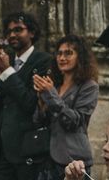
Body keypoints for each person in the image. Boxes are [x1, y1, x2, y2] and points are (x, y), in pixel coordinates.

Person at [0, 12, 53, 180]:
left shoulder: (43, 61)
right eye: (8, 32)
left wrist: (7, 71)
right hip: (3, 152)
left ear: (31, 32)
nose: (12, 35)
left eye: (18, 30)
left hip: (27, 149)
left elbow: (30, 103)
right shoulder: (6, 64)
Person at [33, 35, 99, 180]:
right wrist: (41, 102)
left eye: (68, 53)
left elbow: (75, 121)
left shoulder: (89, 86)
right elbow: (38, 121)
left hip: (74, 160)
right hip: (48, 159)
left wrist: (51, 95)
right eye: (59, 53)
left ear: (80, 57)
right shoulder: (55, 85)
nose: (62, 58)